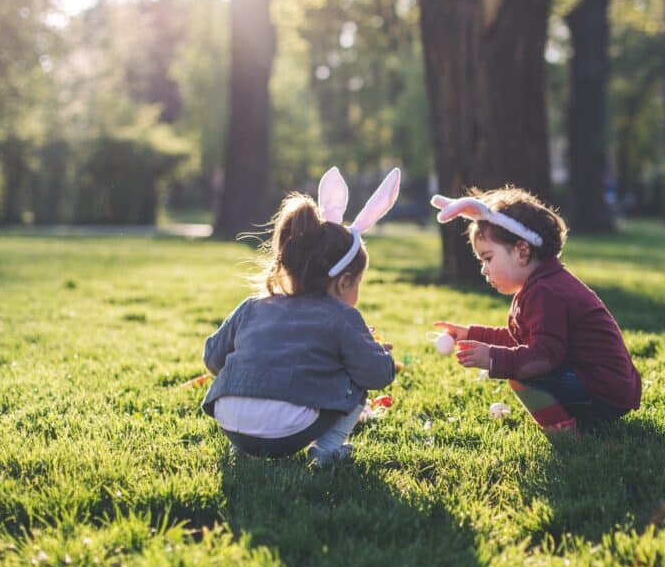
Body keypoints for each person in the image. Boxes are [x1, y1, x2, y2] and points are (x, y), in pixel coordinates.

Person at [201, 167, 400, 465]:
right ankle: (328, 448)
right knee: (356, 377)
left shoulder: (253, 307)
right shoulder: (343, 316)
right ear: (344, 282)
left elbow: (212, 359)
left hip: (230, 422)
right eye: (358, 283)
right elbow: (374, 374)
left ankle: (244, 446)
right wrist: (377, 352)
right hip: (290, 430)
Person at [431, 187, 642, 433]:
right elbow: (520, 338)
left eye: (488, 258)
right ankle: (571, 418)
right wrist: (471, 334)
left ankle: (563, 426)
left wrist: (493, 358)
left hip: (603, 391)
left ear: (522, 251)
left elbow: (543, 356)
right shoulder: (540, 285)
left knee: (524, 373)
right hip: (604, 385)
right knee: (520, 362)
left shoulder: (547, 292)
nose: (484, 270)